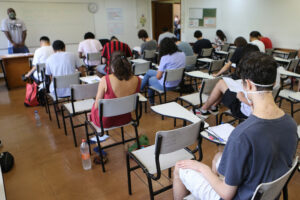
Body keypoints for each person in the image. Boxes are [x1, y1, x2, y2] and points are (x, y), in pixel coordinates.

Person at [173, 52, 298, 200]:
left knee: (179, 168)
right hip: (265, 192)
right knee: (219, 156)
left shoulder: (242, 135)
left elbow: (227, 194)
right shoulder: (290, 123)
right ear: (274, 83)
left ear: (249, 85)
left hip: (237, 196)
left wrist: (202, 168)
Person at [199, 44, 260, 118]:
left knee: (221, 83)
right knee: (226, 83)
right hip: (254, 108)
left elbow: (250, 100)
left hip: (243, 109)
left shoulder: (249, 71)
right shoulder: (259, 70)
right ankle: (212, 107)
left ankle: (204, 109)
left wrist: (242, 98)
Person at [90, 51, 141, 128]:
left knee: (95, 105)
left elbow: (97, 106)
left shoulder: (105, 79)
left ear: (112, 66)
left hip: (106, 121)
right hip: (125, 118)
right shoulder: (138, 79)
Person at [140, 38, 185, 104]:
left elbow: (158, 77)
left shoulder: (165, 57)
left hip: (166, 85)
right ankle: (140, 89)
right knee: (149, 72)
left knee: (149, 79)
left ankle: (150, 100)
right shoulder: (182, 54)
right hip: (177, 83)